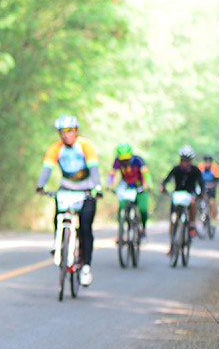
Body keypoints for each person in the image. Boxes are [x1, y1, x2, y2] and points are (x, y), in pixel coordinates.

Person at [35, 114, 101, 286]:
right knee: (58, 216)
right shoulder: (55, 148)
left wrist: (97, 187)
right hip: (66, 188)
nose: (66, 135)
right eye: (62, 131)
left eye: (69, 130)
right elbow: (47, 169)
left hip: (86, 189)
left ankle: (86, 266)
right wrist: (40, 185)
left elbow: (94, 169)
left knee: (85, 228)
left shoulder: (85, 146)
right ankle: (59, 243)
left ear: (76, 131)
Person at [106, 142, 153, 239]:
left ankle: (143, 229)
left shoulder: (138, 160)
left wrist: (148, 184)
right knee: (122, 206)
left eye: (126, 160)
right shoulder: (117, 161)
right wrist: (109, 184)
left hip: (139, 186)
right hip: (126, 186)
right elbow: (112, 174)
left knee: (143, 209)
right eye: (123, 160)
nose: (125, 162)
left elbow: (146, 174)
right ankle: (121, 232)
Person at [160, 145, 204, 247]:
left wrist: (202, 192)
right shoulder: (176, 169)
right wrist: (163, 186)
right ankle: (172, 243)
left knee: (192, 202)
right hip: (177, 195)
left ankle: (192, 224)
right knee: (172, 220)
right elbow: (167, 179)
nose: (185, 163)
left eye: (188, 160)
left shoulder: (195, 170)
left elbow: (201, 182)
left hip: (190, 194)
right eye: (183, 160)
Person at [198, 154, 219, 221]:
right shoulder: (200, 166)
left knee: (212, 202)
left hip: (211, 186)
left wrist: (213, 185)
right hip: (202, 186)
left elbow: (217, 179)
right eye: (206, 161)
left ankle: (213, 218)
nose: (207, 163)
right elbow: (197, 177)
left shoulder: (215, 167)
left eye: (209, 162)